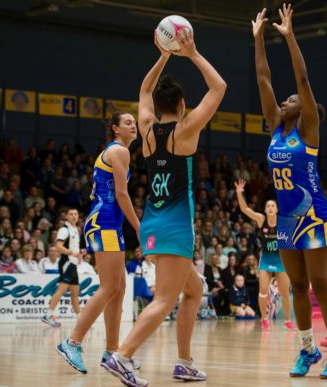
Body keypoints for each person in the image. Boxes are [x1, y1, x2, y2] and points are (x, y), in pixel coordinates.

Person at [103, 28, 225, 387]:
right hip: (175, 226)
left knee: (194, 290)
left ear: (158, 107)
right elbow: (219, 88)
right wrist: (192, 53)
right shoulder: (185, 132)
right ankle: (122, 357)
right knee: (163, 300)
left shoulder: (146, 129)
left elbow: (143, 91)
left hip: (152, 224)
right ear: (183, 105)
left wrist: (164, 55)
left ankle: (184, 362)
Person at [254, 4, 327, 378]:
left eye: (291, 100)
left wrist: (290, 36)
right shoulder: (276, 126)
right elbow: (263, 79)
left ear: (305, 110)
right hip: (288, 221)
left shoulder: (308, 129)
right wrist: (258, 38)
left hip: (314, 216)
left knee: (320, 286)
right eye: (286, 99)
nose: (285, 100)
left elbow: (303, 81)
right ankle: (307, 350)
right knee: (296, 285)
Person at [55, 111, 140, 374]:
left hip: (106, 222)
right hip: (105, 221)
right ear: (116, 128)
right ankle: (72, 342)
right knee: (110, 286)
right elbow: (122, 195)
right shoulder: (120, 152)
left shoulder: (113, 152)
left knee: (119, 286)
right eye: (128, 123)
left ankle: (111, 352)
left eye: (135, 123)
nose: (133, 126)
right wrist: (140, 226)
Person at [234, 179, 295, 330]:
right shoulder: (261, 219)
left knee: (285, 293)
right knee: (263, 291)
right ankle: (264, 318)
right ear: (265, 209)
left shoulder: (283, 221)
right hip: (266, 260)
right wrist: (239, 193)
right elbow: (245, 209)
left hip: (281, 260)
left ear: (276, 209)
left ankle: (288, 320)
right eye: (267, 206)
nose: (269, 207)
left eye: (272, 205)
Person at [41, 208, 83, 327]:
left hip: (73, 264)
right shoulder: (64, 230)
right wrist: (71, 253)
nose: (74, 216)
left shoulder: (75, 229)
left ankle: (80, 319)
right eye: (71, 214)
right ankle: (48, 315)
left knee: (75, 293)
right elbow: (58, 246)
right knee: (61, 290)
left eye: (76, 213)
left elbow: (75, 247)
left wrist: (79, 253)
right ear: (66, 217)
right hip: (66, 263)